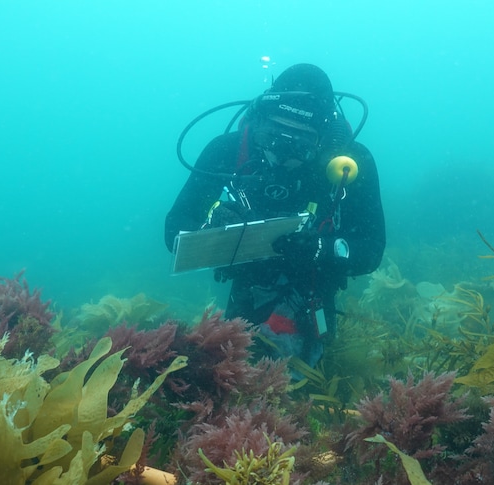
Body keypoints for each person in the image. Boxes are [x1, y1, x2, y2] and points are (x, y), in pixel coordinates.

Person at [165, 63, 385, 370]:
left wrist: (319, 248)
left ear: (323, 140)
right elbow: (174, 230)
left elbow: (371, 250)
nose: (280, 156)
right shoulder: (227, 150)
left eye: (298, 146)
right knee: (231, 369)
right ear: (257, 122)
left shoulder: (350, 164)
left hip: (314, 285)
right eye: (271, 137)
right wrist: (212, 227)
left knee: (310, 375)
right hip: (248, 281)